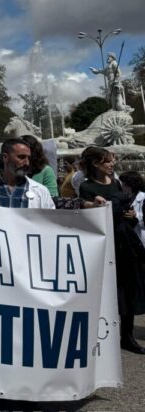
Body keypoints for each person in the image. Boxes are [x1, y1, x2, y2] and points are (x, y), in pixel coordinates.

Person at [80, 149, 145, 353]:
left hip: (125, 240)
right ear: (95, 164)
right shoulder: (86, 187)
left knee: (129, 287)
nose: (112, 163)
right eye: (107, 161)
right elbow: (86, 215)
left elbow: (123, 209)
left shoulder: (115, 183)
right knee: (107, 289)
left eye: (112, 160)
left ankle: (127, 336)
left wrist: (131, 213)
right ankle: (102, 334)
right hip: (106, 242)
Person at [0, 138, 55, 209]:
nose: (27, 163)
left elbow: (49, 223)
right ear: (5, 157)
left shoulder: (41, 191)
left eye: (28, 158)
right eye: (21, 157)